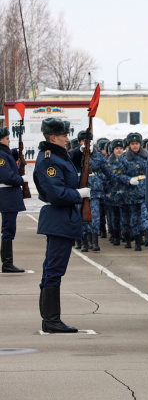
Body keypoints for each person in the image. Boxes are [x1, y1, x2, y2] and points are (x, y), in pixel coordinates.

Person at [33, 118, 89, 332]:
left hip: (62, 218)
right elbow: (57, 193)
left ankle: (51, 318)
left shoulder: (56, 155)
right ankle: (51, 320)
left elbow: (66, 164)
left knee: (55, 268)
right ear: (53, 137)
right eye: (64, 135)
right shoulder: (48, 160)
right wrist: (78, 194)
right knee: (54, 268)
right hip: (58, 217)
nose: (68, 138)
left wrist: (81, 150)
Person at [0, 126, 27, 272]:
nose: (9, 141)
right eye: (7, 139)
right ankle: (7, 263)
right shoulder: (1, 155)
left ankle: (8, 263)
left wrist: (16, 153)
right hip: (7, 196)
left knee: (9, 229)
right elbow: (7, 176)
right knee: (8, 230)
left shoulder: (5, 154)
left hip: (9, 196)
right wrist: (21, 179)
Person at [115, 132, 148, 251]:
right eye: (133, 144)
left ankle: (147, 234)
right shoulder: (123, 158)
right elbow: (117, 174)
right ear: (129, 145)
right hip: (131, 193)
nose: (135, 146)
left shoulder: (147, 156)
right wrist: (128, 180)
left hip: (145, 192)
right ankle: (137, 241)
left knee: (146, 215)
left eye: (137, 143)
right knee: (133, 218)